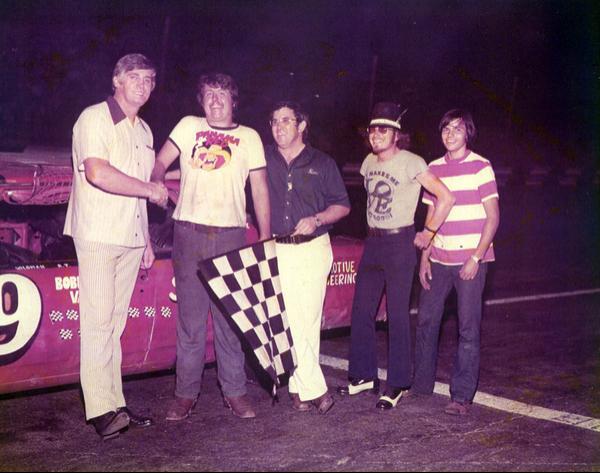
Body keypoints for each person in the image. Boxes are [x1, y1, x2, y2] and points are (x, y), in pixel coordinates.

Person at [151, 73, 271, 421]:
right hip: (187, 234)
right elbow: (160, 161)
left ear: (234, 101)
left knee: (229, 320)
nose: (216, 100)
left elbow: (260, 187)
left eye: (222, 94)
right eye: (209, 94)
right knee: (190, 321)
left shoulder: (250, 137)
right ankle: (185, 394)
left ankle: (234, 391)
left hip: (230, 236)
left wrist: (265, 234)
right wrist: (156, 181)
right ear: (201, 101)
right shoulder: (188, 126)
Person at [64, 53, 168, 440]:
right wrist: (152, 190)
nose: (143, 85)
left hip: (129, 236)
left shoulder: (144, 130)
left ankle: (115, 403)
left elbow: (138, 193)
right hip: (98, 234)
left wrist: (146, 239)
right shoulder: (94, 118)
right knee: (98, 321)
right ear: (117, 81)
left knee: (115, 323)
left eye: (149, 79)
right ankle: (99, 410)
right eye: (135, 77)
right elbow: (98, 172)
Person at [337, 102, 455, 410]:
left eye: (383, 130)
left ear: (396, 134)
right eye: (372, 130)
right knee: (362, 310)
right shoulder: (367, 163)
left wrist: (428, 232)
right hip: (373, 242)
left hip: (399, 243)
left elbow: (446, 197)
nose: (376, 135)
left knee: (398, 314)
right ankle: (363, 376)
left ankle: (398, 382)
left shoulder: (412, 162)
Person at [411, 109, 500, 415]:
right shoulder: (433, 168)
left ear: (468, 133)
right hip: (438, 258)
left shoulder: (481, 166)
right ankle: (421, 385)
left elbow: (493, 217)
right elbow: (430, 214)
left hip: (470, 260)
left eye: (457, 129)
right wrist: (424, 257)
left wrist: (476, 257)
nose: (450, 135)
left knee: (467, 328)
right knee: (426, 321)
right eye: (446, 129)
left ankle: (461, 396)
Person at [266, 101, 351, 414]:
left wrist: (317, 219)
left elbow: (342, 205)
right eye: (274, 121)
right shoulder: (263, 157)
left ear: (301, 125)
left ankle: (297, 388)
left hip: (314, 246)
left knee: (309, 320)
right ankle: (314, 388)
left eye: (286, 120)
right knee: (293, 319)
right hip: (279, 247)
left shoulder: (322, 162)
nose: (279, 127)